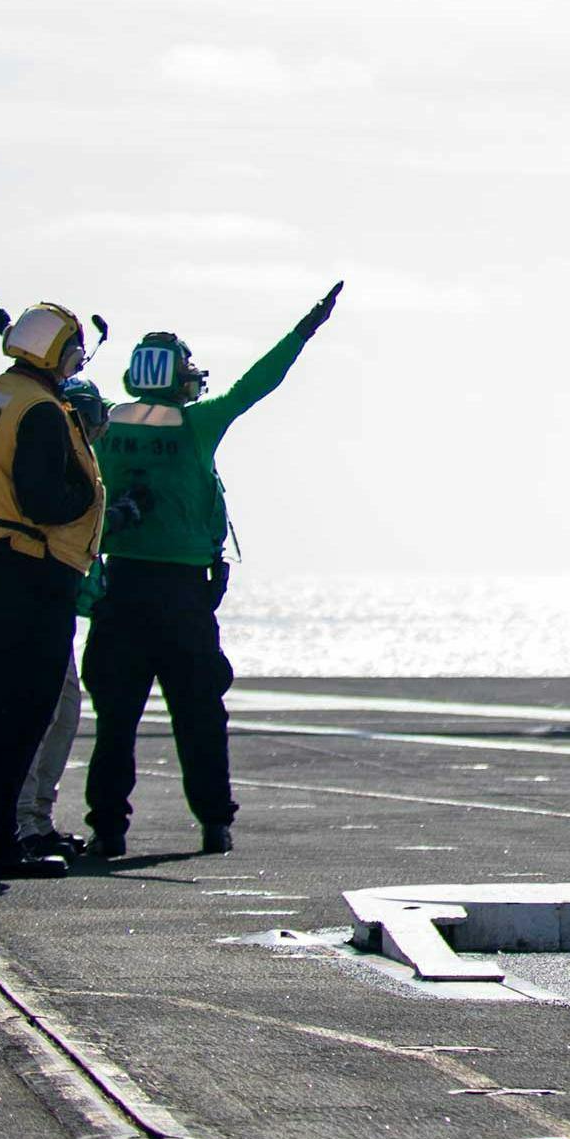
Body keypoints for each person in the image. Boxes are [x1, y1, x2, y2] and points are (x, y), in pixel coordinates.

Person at [84, 282, 343, 860]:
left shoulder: (104, 425)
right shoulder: (197, 424)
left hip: (119, 587)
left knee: (115, 720)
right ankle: (214, 823)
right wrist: (304, 329)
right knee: (199, 715)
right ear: (177, 377)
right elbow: (257, 383)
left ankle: (108, 830)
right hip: (182, 595)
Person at [0, 301, 107, 881]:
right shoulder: (39, 409)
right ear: (56, 352)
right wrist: (87, 496)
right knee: (24, 713)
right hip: (30, 570)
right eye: (74, 351)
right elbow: (44, 500)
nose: (77, 361)